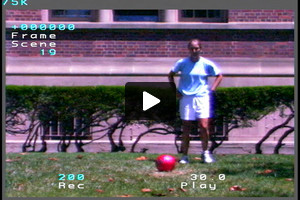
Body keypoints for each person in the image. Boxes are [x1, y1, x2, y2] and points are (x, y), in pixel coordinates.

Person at [168, 39, 223, 164]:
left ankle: (205, 153)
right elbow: (170, 75)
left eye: (196, 48)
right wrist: (175, 91)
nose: (194, 51)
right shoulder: (182, 63)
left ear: (200, 49)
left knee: (204, 126)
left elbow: (219, 75)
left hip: (202, 97)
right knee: (186, 127)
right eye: (192, 48)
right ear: (189, 49)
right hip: (186, 97)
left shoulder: (206, 63)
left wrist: (212, 89)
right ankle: (185, 155)